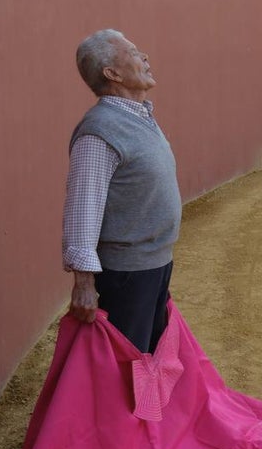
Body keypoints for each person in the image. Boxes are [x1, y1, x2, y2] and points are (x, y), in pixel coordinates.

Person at [63, 29, 183, 354]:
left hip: (154, 264)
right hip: (127, 274)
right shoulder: (99, 130)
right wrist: (84, 284)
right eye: (133, 53)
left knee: (147, 358)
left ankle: (144, 408)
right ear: (112, 73)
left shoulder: (139, 116)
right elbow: (82, 208)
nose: (144, 57)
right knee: (126, 366)